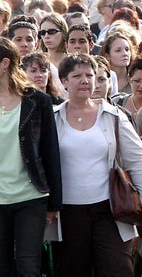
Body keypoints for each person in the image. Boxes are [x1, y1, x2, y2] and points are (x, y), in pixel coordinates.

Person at [52, 53, 142, 276]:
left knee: (118, 269)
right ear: (64, 81)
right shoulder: (52, 118)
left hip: (110, 211)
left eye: (89, 75)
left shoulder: (113, 116)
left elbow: (140, 162)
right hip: (67, 214)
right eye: (77, 76)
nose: (84, 81)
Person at [0, 37, 61, 276]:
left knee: (28, 266)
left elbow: (50, 151)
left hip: (30, 196)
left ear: (4, 63)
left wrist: (54, 203)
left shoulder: (38, 101)